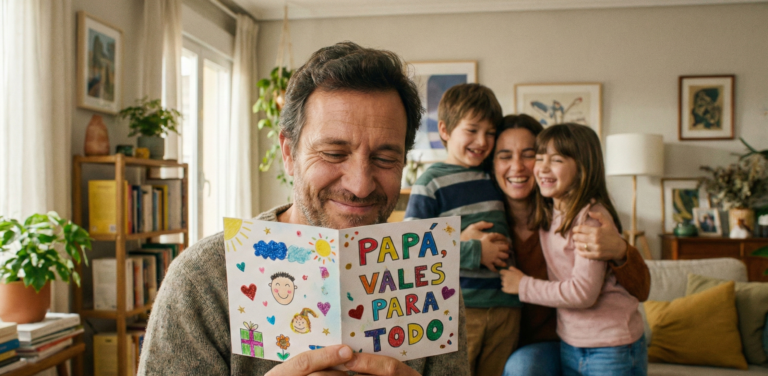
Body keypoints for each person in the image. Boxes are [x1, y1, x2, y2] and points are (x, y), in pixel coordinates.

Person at [137, 42, 470, 376]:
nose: (360, 185)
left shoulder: (430, 277)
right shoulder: (202, 281)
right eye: (333, 153)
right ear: (288, 153)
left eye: (385, 158)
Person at [462, 114, 650, 376]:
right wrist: (460, 244)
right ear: (491, 165)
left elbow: (640, 289)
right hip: (537, 343)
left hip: (592, 339)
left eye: (528, 154)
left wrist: (620, 250)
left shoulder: (580, 217)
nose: (517, 167)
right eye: (505, 156)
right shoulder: (485, 221)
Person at [404, 84, 520, 376]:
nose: (482, 141)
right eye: (472, 130)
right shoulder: (431, 181)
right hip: (461, 309)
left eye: (490, 132)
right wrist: (473, 250)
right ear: (445, 130)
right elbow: (411, 249)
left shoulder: (492, 174)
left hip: (506, 305)